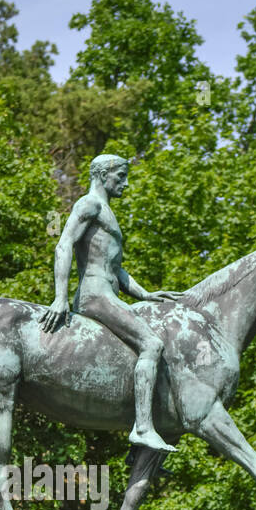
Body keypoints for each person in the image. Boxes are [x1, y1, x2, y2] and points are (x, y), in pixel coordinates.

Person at [39, 153, 175, 452]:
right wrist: (60, 297)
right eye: (120, 177)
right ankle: (142, 429)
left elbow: (116, 269)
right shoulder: (90, 204)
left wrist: (145, 294)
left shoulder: (107, 211)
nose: (125, 183)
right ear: (102, 175)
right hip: (94, 296)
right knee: (152, 344)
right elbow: (63, 245)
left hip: (108, 293)